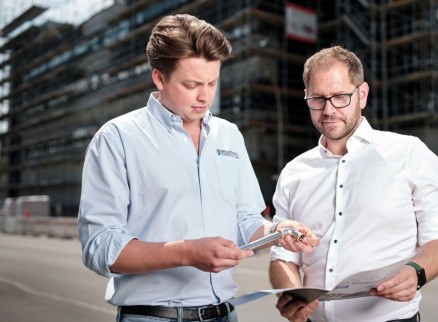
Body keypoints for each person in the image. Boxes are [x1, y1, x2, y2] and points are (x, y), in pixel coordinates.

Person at [77, 14, 319, 322]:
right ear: (159, 78)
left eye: (212, 82)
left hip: (225, 314)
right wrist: (187, 252)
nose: (205, 96)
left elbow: (245, 219)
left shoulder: (229, 135)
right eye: (191, 84)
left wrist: (277, 231)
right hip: (153, 317)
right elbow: (100, 247)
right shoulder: (117, 139)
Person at [268, 46, 438, 322]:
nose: (328, 110)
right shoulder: (294, 173)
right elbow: (283, 255)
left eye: (340, 97)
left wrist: (417, 271)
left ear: (362, 94)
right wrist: (292, 293)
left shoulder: (410, 153)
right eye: (317, 99)